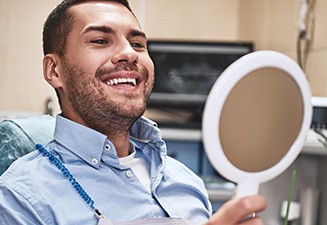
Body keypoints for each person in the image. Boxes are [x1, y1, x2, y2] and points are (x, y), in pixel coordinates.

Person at [0, 0, 266, 224]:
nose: (129, 53)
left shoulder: (187, 181)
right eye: (101, 40)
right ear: (54, 70)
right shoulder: (21, 199)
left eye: (138, 44)